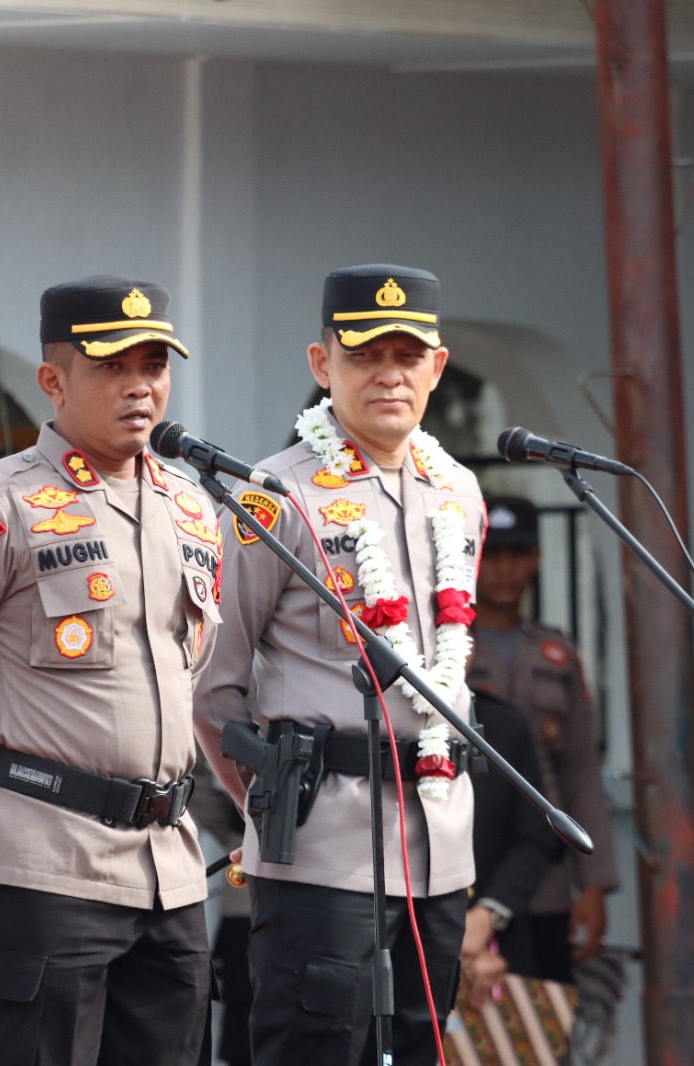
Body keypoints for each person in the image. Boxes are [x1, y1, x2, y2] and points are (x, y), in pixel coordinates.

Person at [0, 275, 221, 1066]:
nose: (140, 386)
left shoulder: (194, 510)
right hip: (37, 866)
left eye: (154, 365)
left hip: (166, 873)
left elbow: (189, 670)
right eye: (112, 367)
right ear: (53, 382)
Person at [196, 264, 487, 1065]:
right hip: (323, 848)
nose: (389, 374)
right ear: (323, 364)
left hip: (439, 848)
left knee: (423, 1048)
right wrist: (268, 806)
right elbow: (214, 686)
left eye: (408, 355)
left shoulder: (461, 493)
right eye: (364, 354)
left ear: (436, 366)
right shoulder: (273, 496)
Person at [465, 496, 619, 984]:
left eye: (518, 554)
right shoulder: (448, 647)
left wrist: (593, 884)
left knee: (543, 1011)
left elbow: (581, 771)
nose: (505, 569)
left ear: (537, 558)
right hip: (468, 855)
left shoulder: (557, 653)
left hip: (546, 873)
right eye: (493, 554)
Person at [458, 690, 561, 1009]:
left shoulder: (503, 724)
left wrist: (486, 916)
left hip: (494, 946)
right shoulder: (369, 718)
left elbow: (534, 839)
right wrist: (449, 936)